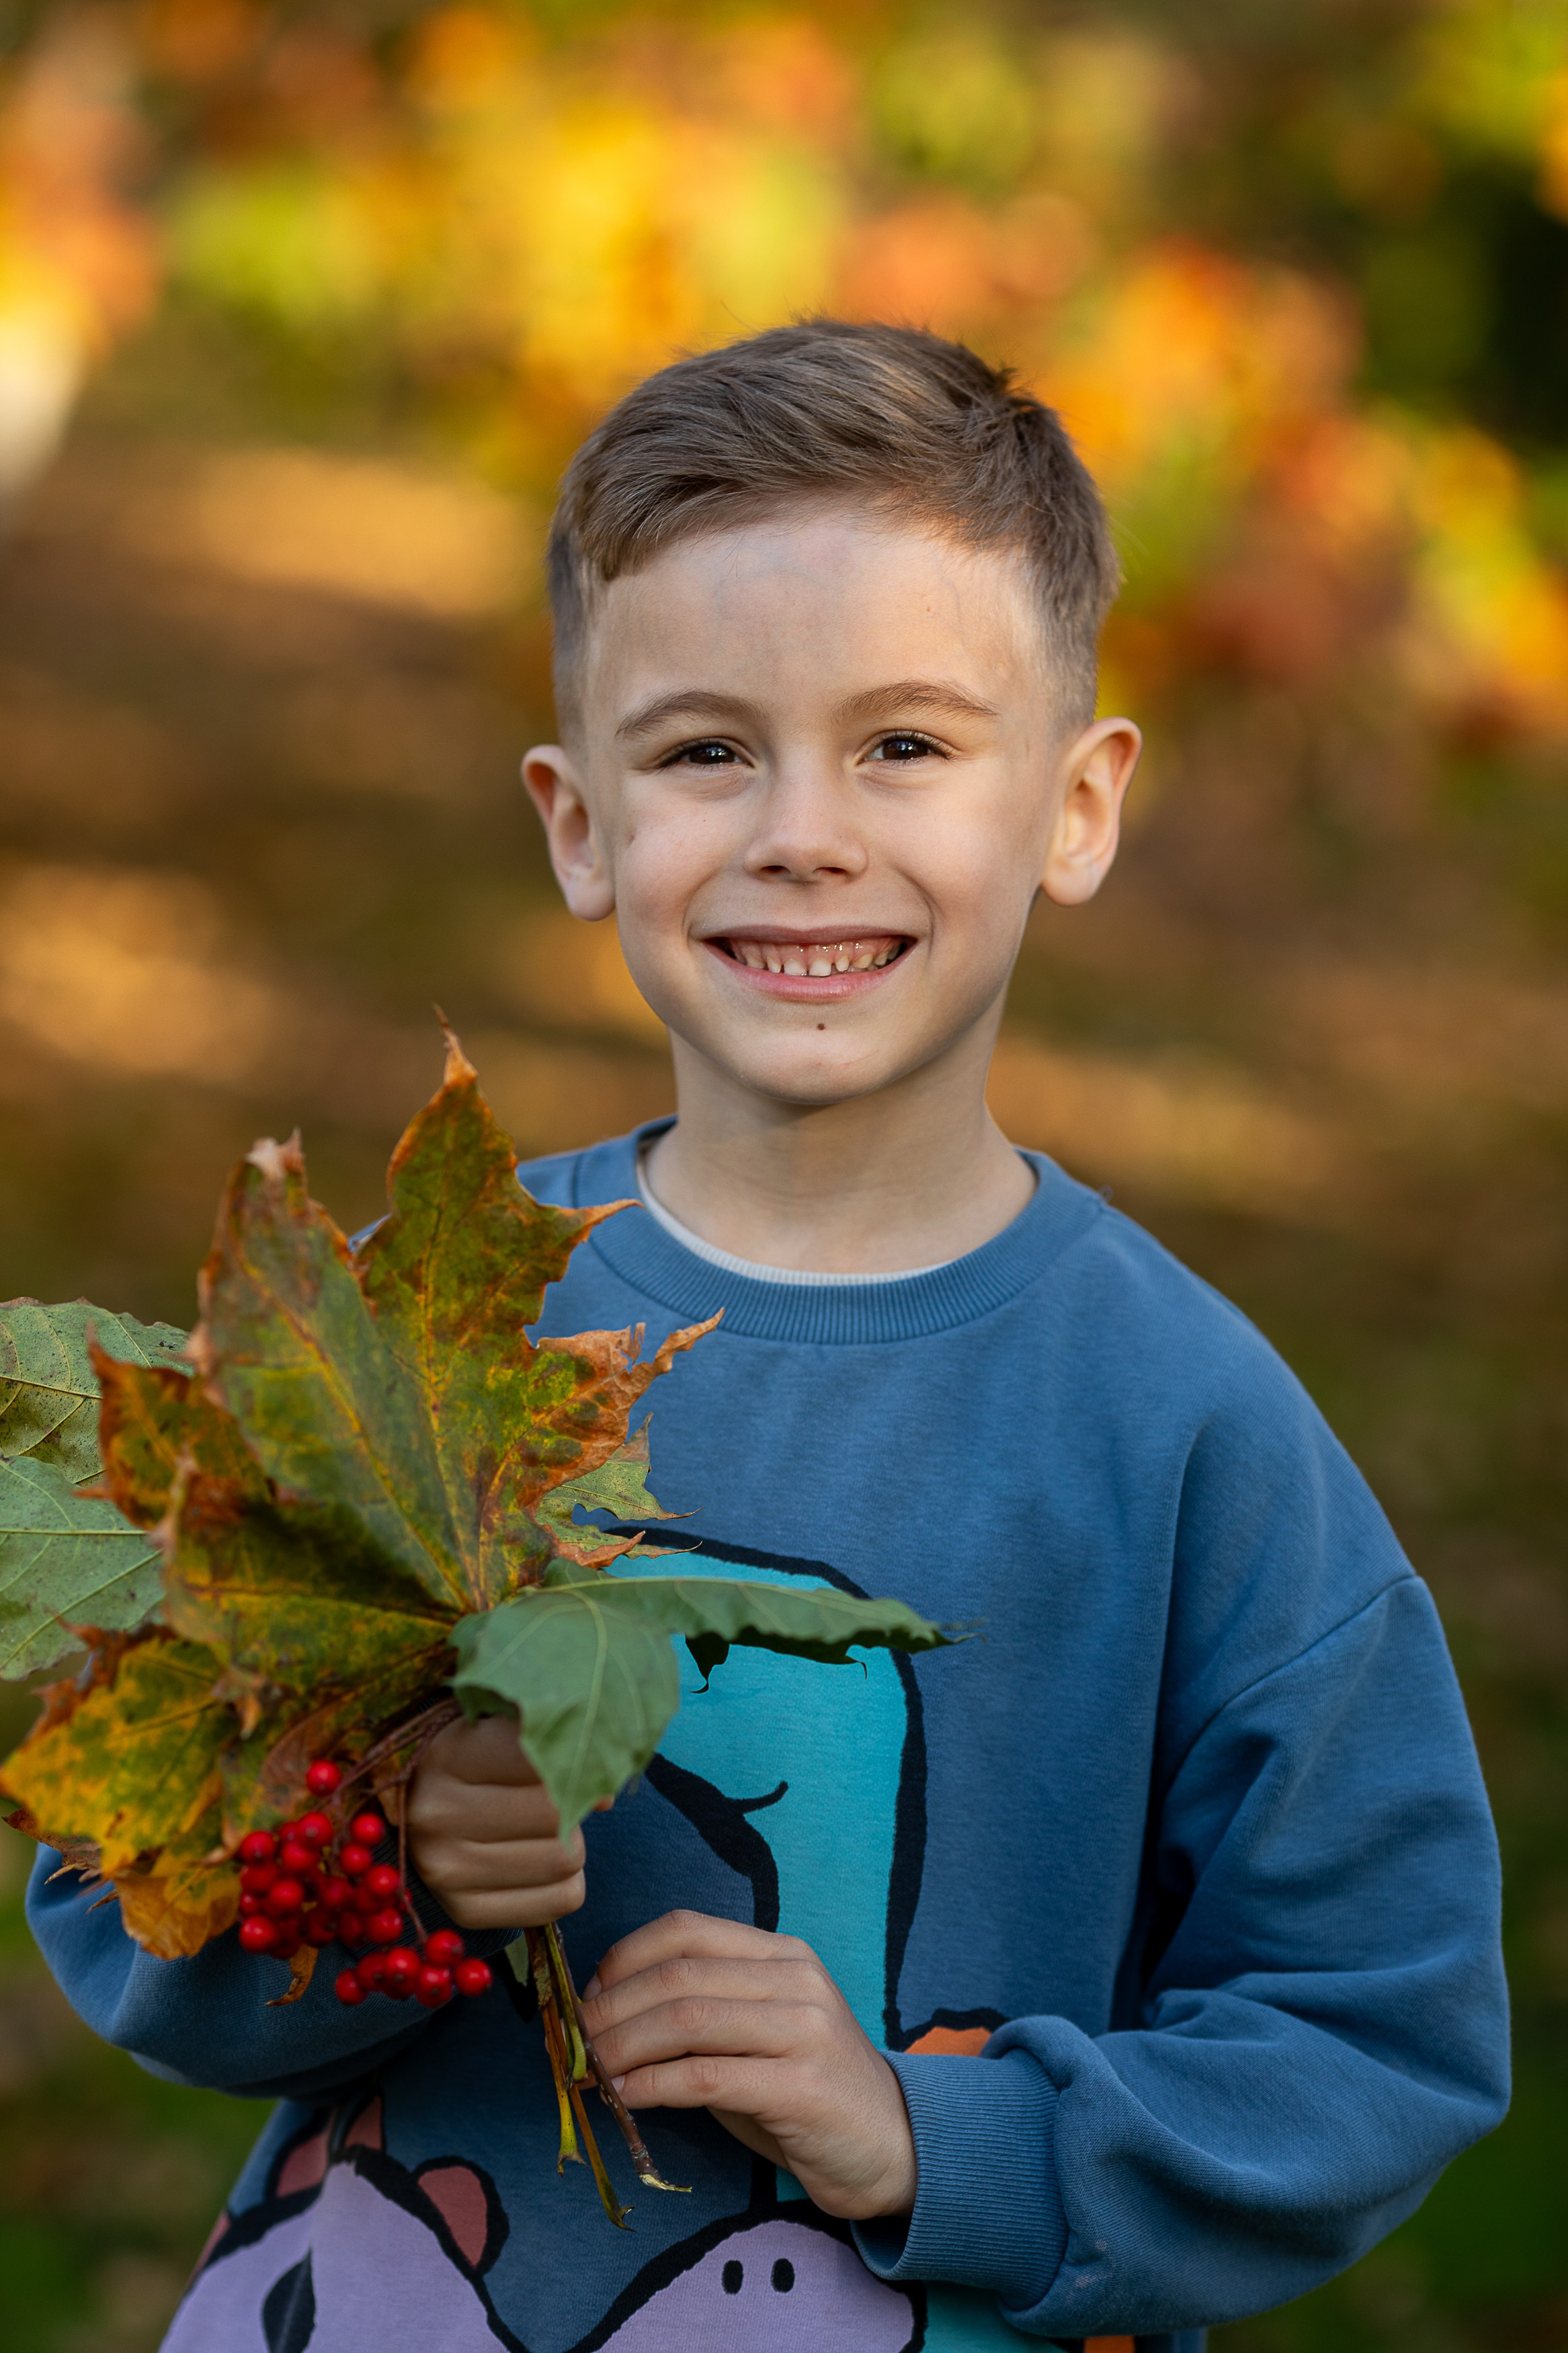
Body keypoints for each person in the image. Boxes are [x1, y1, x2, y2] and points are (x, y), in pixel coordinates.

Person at [30, 321, 1507, 2353]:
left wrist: (935, 2133)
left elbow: (1382, 2023)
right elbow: (126, 1878)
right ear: (576, 821)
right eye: (707, 748)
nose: (804, 828)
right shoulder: (387, 1337)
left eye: (905, 744)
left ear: (1076, 808)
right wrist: (395, 1853)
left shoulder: (1180, 1424)